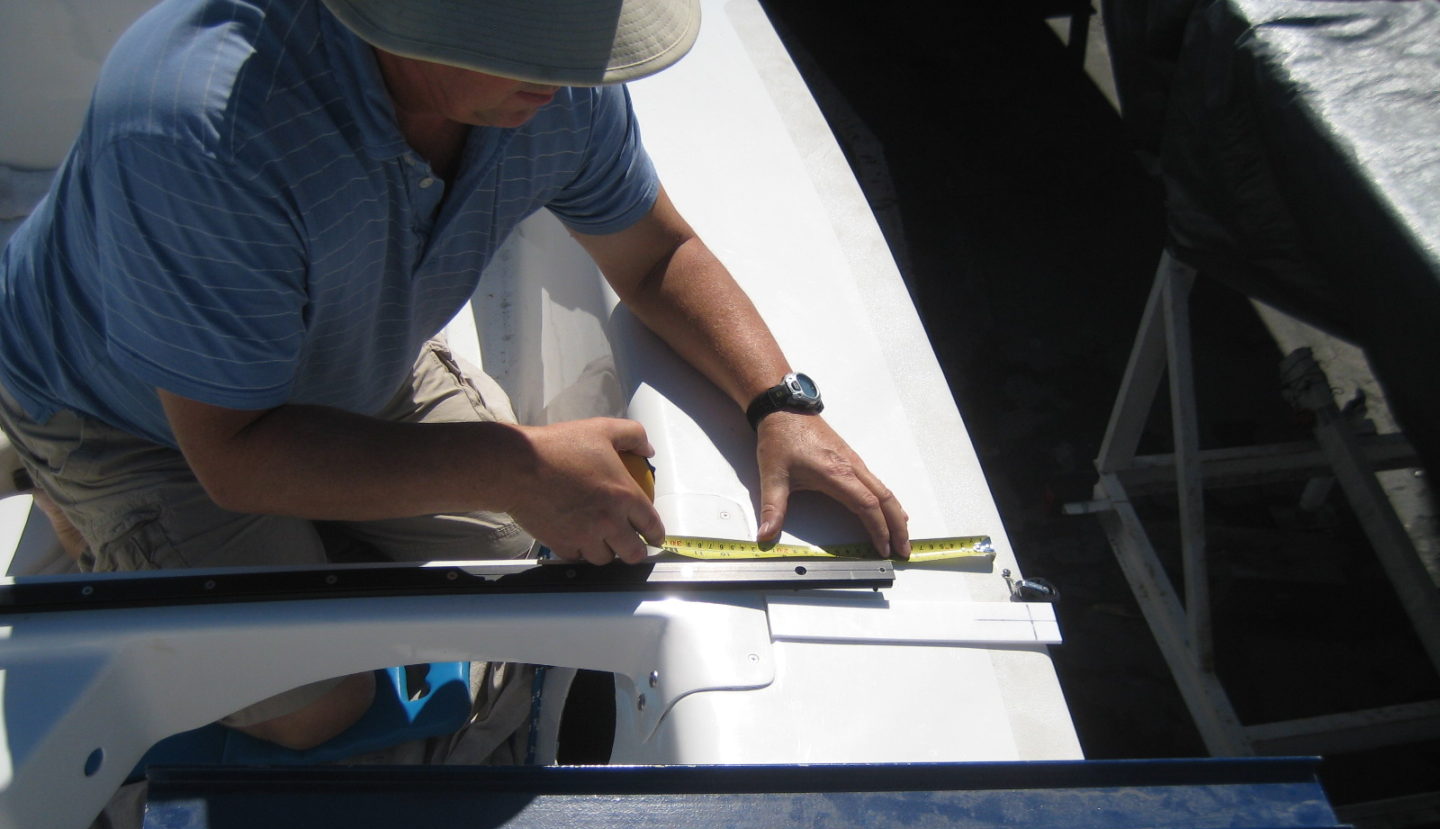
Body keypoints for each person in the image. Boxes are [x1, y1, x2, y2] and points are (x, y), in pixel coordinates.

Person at [0, 0, 910, 748]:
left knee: (527, 571)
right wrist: (516, 466)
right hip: (131, 418)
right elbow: (232, 458)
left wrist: (777, 402)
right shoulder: (196, 126)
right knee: (318, 705)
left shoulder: (560, 81)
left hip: (351, 357)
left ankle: (302, 528)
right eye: (530, 42)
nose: (564, 79)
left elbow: (655, 254)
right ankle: (71, 497)